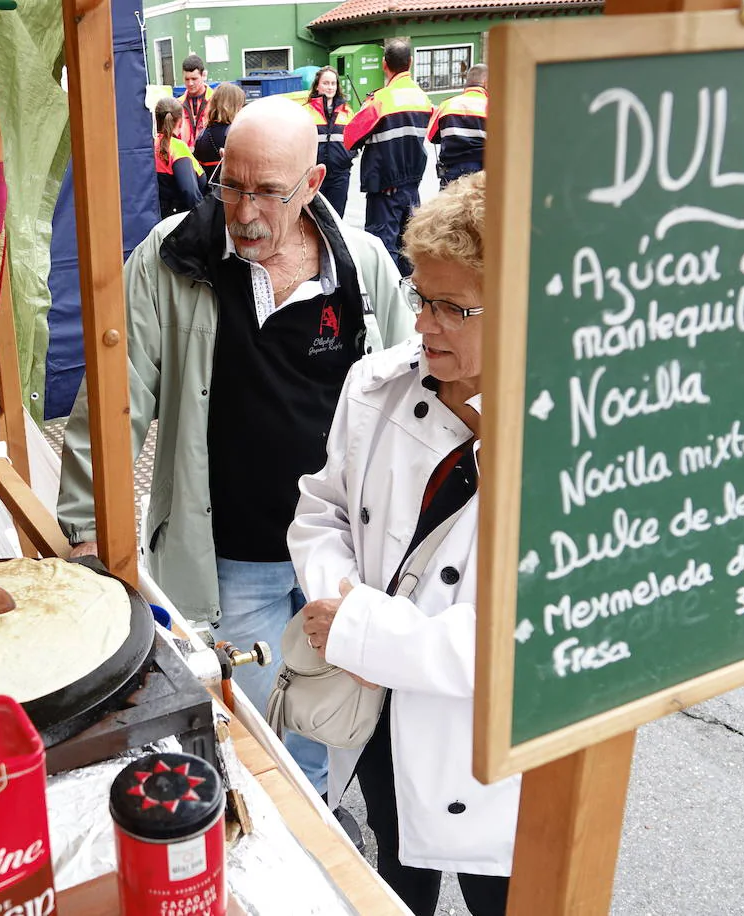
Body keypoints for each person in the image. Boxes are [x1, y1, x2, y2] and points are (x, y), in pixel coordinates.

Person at [57, 97, 415, 804]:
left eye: (268, 193)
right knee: (253, 722)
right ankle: (296, 831)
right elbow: (113, 404)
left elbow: (413, 394)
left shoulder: (362, 264)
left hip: (340, 552)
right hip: (232, 559)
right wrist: (80, 530)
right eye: (231, 183)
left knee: (325, 713)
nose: (244, 211)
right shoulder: (170, 260)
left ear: (314, 183)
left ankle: (315, 833)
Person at [288, 172, 519, 916]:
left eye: (453, 307)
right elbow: (321, 509)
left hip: (494, 756)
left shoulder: (568, 443)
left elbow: (527, 637)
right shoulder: (372, 386)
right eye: (422, 297)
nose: (423, 325)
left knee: (504, 894)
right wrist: (333, 595)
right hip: (377, 718)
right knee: (393, 882)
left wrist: (360, 629)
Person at [344, 38, 433, 274]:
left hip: (384, 187)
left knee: (382, 248)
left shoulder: (380, 100)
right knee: (408, 245)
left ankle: (388, 301)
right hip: (412, 186)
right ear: (410, 63)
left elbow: (350, 137)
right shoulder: (423, 99)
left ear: (385, 65)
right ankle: (409, 297)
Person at [428, 63, 488, 188]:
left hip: (451, 173)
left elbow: (431, 136)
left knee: (448, 206)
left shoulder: (446, 105)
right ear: (486, 83)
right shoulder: (492, 106)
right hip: (480, 174)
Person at [304, 67, 354, 217]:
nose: (330, 87)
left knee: (336, 218)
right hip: (314, 174)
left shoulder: (347, 111)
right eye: (326, 83)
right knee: (314, 218)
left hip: (340, 175)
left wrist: (348, 155)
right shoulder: (306, 112)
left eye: (333, 83)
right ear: (317, 85)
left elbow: (355, 138)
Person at [155, 96, 205, 216]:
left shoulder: (149, 146)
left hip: (159, 217)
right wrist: (203, 219)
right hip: (179, 222)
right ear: (180, 120)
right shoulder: (178, 148)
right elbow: (189, 192)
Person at [193, 82, 245, 185]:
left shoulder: (202, 136)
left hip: (209, 196)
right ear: (235, 107)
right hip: (231, 195)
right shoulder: (236, 134)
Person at [177, 53, 213, 149]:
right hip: (186, 158)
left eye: (194, 79)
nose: (190, 83)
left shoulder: (215, 101)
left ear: (203, 76)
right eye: (187, 79)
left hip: (209, 159)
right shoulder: (177, 105)